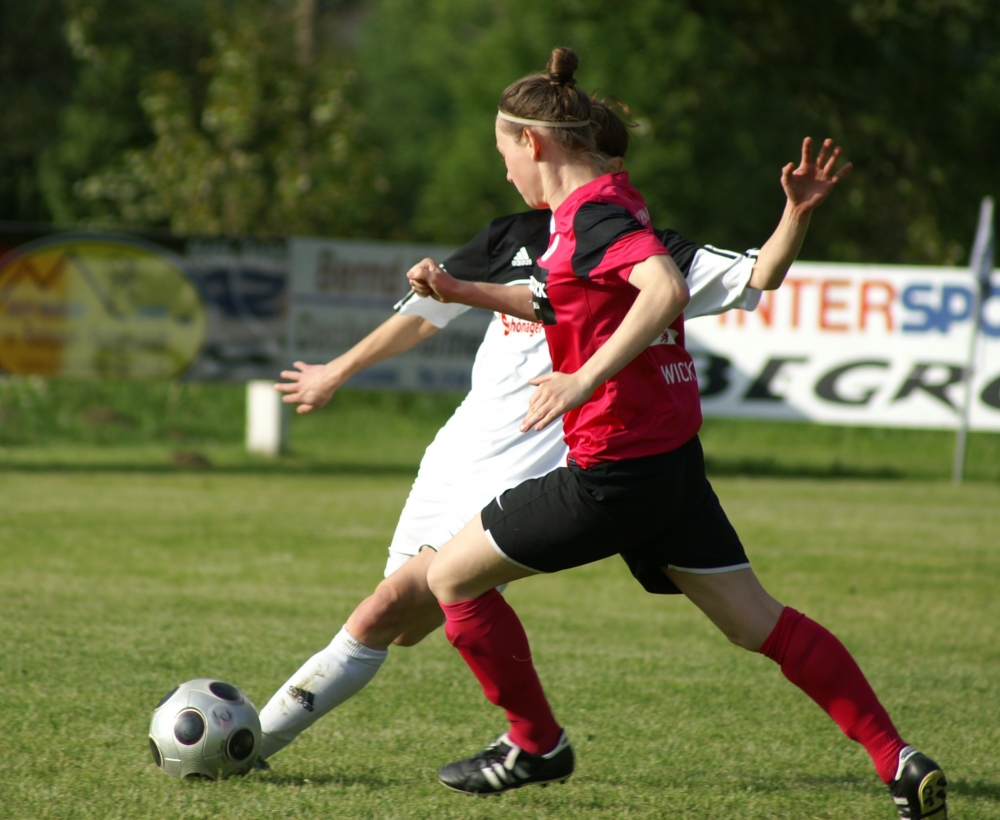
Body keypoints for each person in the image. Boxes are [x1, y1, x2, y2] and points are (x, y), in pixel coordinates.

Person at [406, 48, 946, 820]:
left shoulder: (592, 216)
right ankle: (900, 760)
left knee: (449, 581)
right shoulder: (598, 209)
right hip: (669, 470)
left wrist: (583, 379)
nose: (504, 176)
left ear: (534, 144)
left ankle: (535, 744)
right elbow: (563, 299)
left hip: (612, 472)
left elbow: (662, 287)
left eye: (504, 155)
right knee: (760, 624)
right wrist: (459, 289)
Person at [256, 104, 845, 771]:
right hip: (454, 460)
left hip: (533, 472)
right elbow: (430, 312)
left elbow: (756, 274)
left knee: (387, 608)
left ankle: (247, 744)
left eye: (612, 167)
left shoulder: (645, 247)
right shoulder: (514, 237)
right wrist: (338, 370)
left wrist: (796, 213)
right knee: (406, 624)